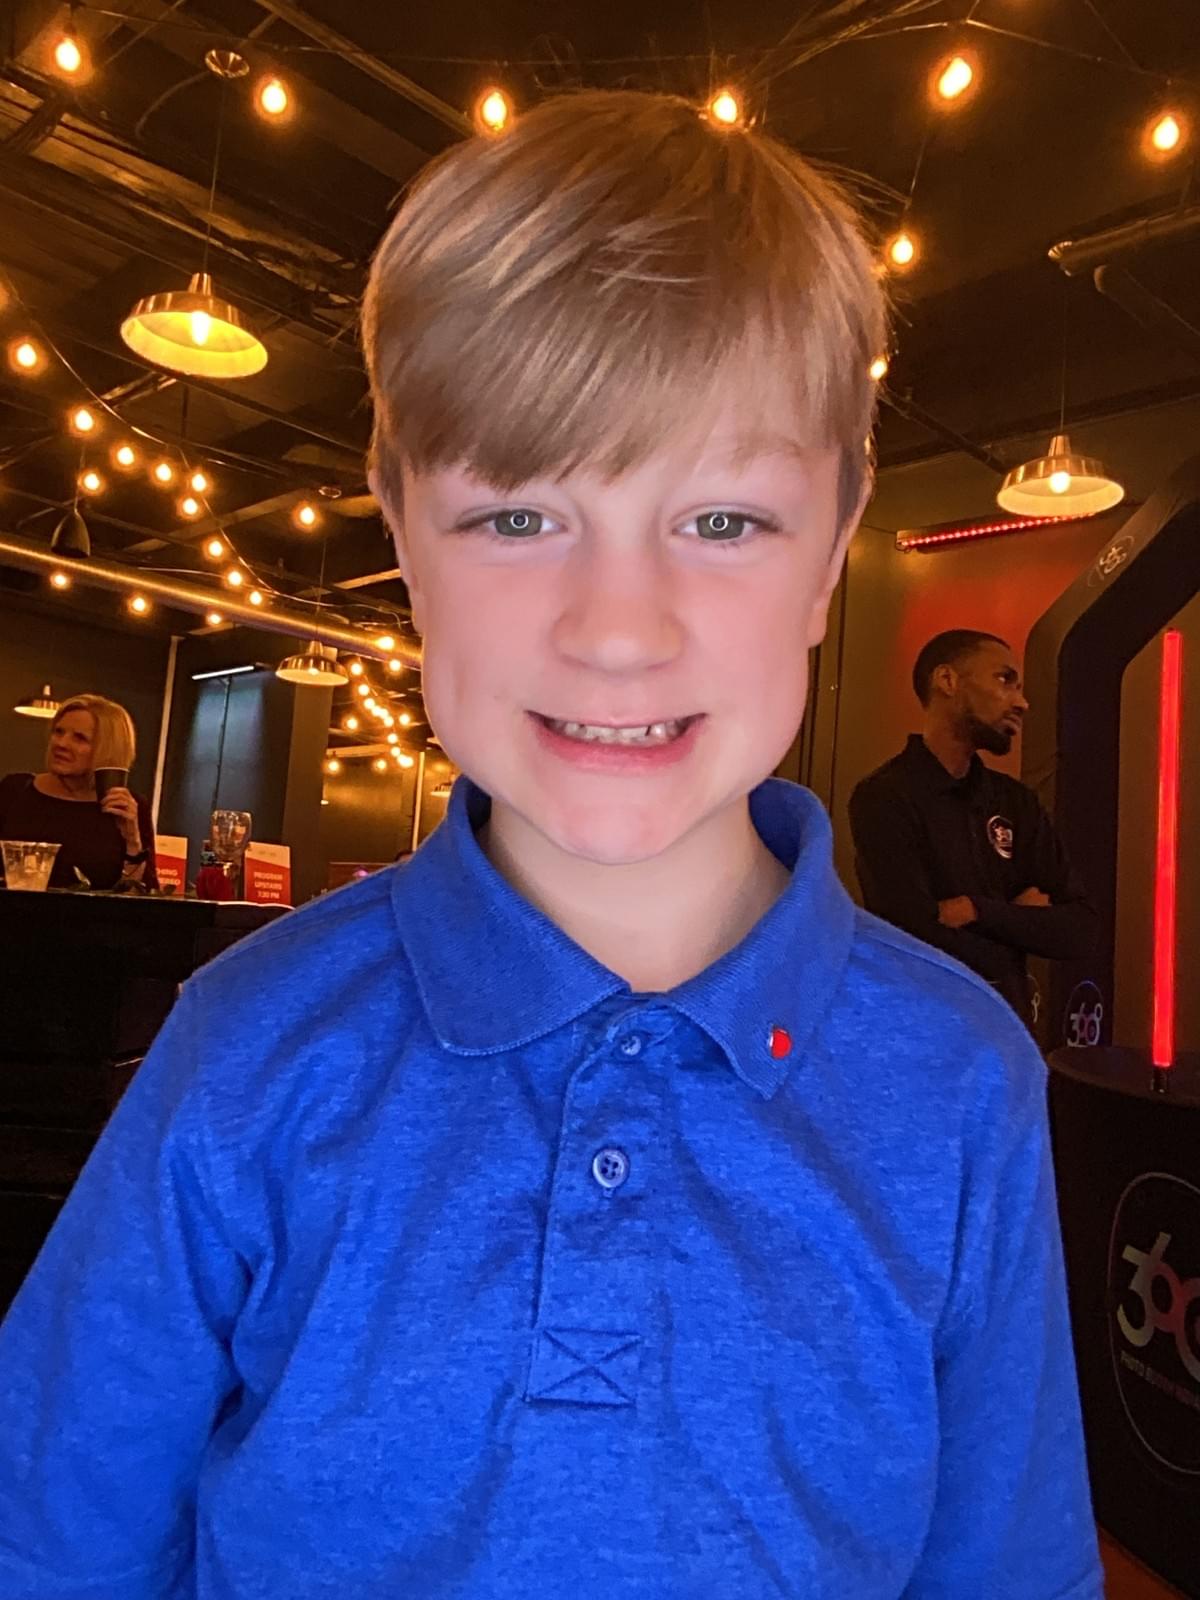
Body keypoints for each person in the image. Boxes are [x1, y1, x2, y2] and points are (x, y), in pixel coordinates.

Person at [0, 94, 1102, 1600]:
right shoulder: (245, 1045)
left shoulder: (965, 1079)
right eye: (518, 517)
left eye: (724, 521)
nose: (617, 629)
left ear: (832, 552)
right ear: (402, 533)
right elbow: (50, 1545)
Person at [848, 630, 1097, 1027]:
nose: (1021, 702)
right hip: (922, 1031)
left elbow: (1079, 929)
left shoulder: (1015, 801)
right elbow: (911, 934)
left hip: (1009, 1036)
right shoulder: (884, 796)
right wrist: (1020, 920)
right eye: (1005, 680)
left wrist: (975, 910)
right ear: (947, 680)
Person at [0, 693, 157, 891]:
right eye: (58, 732)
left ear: (108, 749)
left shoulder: (126, 807)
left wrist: (133, 841)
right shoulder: (15, 790)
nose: (61, 744)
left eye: (80, 738)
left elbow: (143, 895)